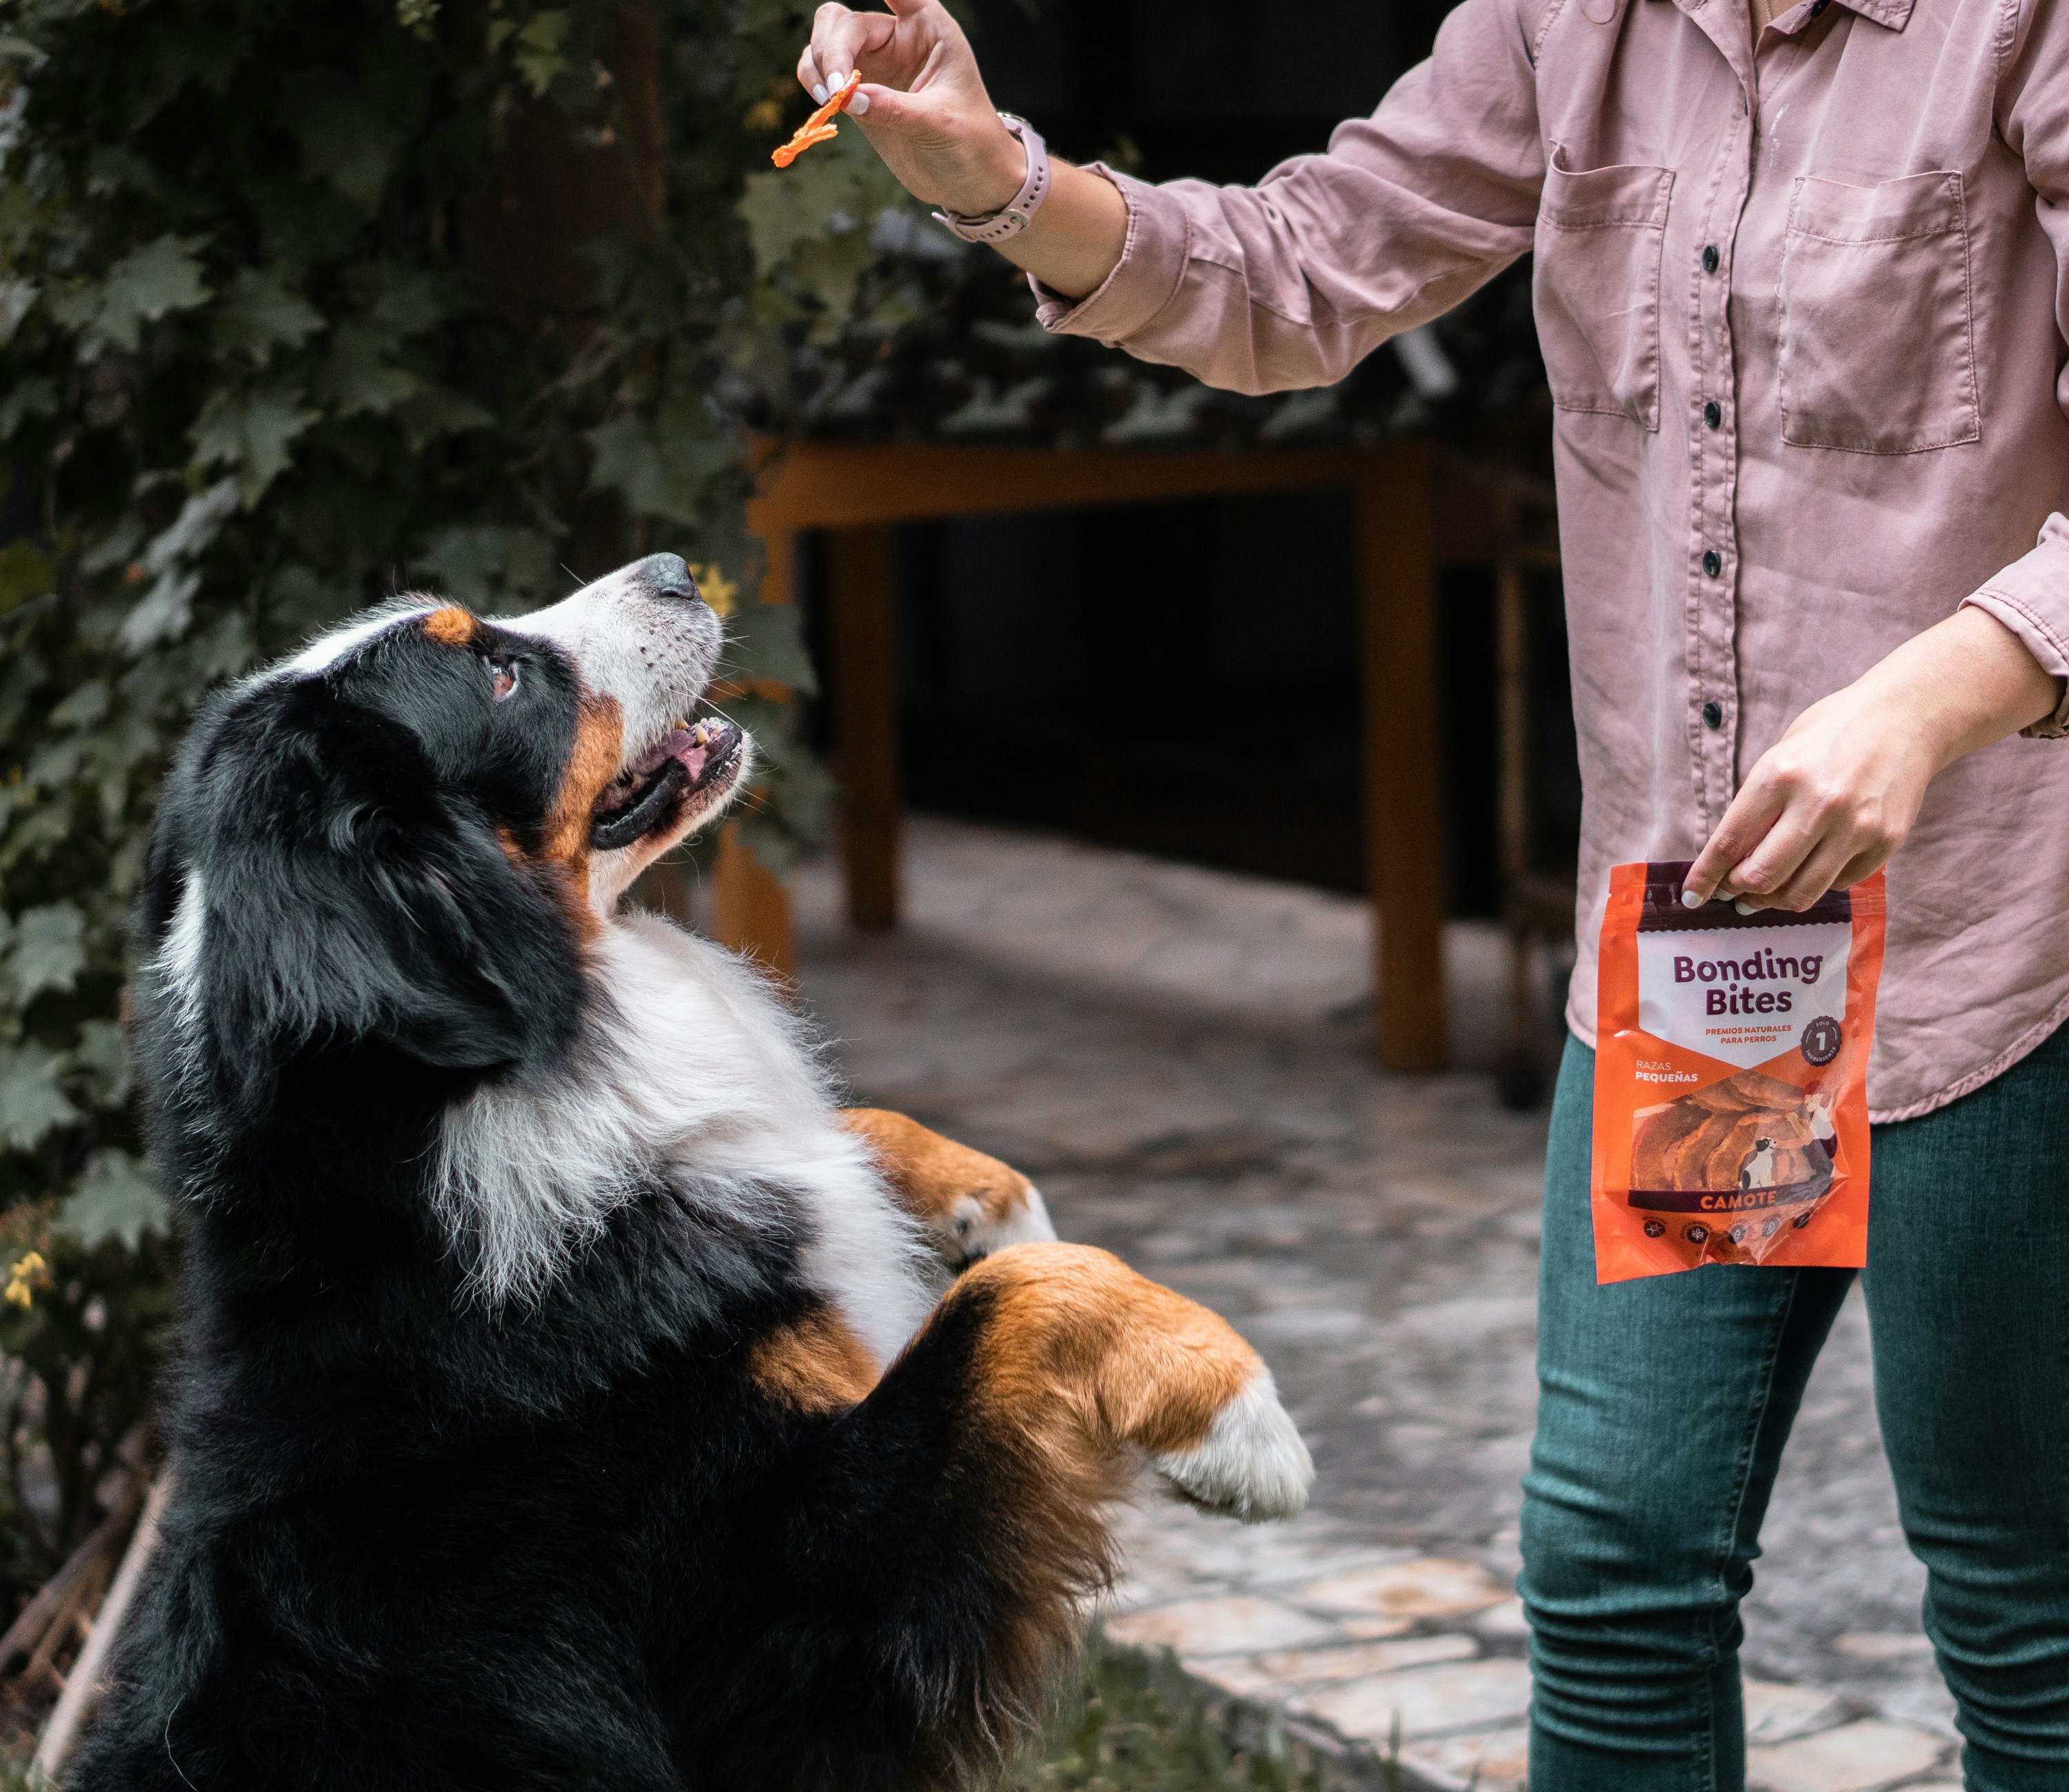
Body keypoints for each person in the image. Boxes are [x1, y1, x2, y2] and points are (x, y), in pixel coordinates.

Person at [792, 1, 2069, 1785]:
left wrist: (1938, 694)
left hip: (2007, 946)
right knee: (1621, 1567)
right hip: (1713, 966)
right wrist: (994, 174)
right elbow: (1294, 271)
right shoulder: (1571, 21)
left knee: (2023, 1605)